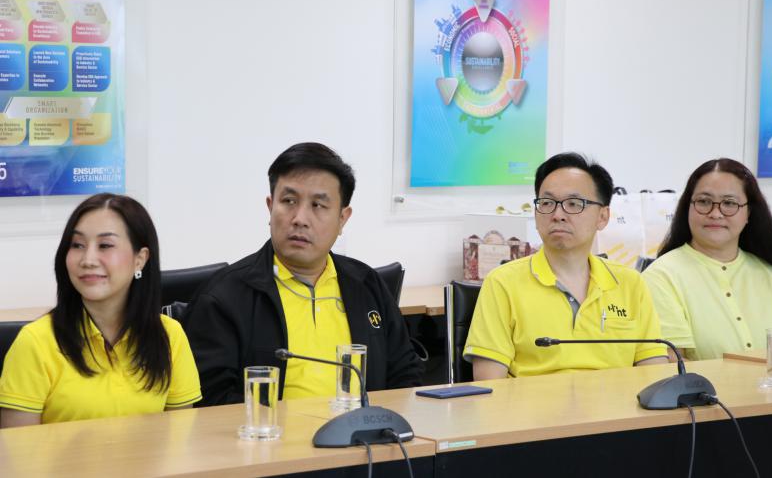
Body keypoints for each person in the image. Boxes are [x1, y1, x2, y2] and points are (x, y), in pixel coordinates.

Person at [184, 142, 422, 405]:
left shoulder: (367, 284)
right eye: (288, 201)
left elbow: (405, 373)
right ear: (270, 207)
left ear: (342, 219)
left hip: (362, 429)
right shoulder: (224, 297)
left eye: (318, 205)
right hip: (270, 432)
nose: (300, 218)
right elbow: (210, 400)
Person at [0, 194, 201, 427]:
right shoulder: (35, 342)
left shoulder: (169, 336)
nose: (88, 259)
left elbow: (180, 437)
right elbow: (19, 448)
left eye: (105, 245)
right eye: (77, 245)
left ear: (140, 259)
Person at [465, 153, 668, 380]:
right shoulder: (503, 283)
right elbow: (490, 384)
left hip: (617, 402)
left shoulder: (630, 283)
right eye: (547, 203)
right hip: (533, 403)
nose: (558, 215)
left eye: (574, 204)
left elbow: (654, 373)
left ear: (602, 217)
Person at [643, 158, 772, 361]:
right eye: (704, 202)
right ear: (687, 207)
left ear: (748, 213)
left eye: (729, 203)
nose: (716, 213)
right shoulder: (661, 277)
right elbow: (671, 362)